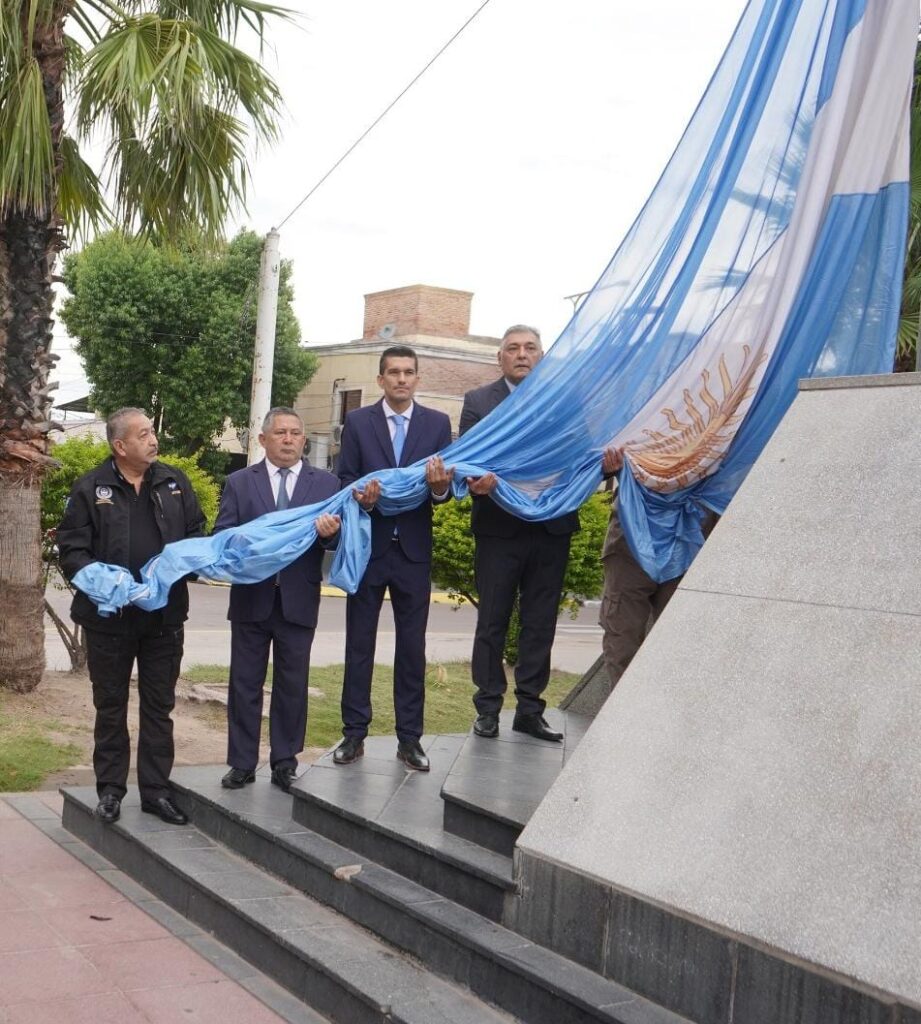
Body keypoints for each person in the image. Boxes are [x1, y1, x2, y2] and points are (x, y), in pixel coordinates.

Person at [57, 408, 205, 826]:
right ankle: (110, 792)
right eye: (143, 434)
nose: (153, 440)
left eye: (153, 431)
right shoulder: (91, 487)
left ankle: (156, 793)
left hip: (163, 619)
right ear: (120, 446)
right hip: (110, 621)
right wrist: (107, 582)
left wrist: (180, 564)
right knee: (110, 706)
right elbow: (72, 551)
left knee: (159, 707)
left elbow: (197, 534)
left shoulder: (174, 481)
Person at [334, 345, 453, 772]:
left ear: (418, 379)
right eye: (393, 373)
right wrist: (361, 500)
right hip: (370, 548)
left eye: (409, 373)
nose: (402, 379)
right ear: (381, 380)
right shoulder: (358, 422)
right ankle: (353, 735)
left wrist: (440, 488)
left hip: (414, 552)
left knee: (412, 649)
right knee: (359, 644)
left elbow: (444, 491)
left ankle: (410, 740)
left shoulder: (438, 424)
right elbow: (344, 477)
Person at [459, 325, 580, 743]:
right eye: (513, 348)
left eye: (530, 348)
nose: (522, 354)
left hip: (551, 528)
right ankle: (488, 708)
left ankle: (530, 709)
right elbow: (469, 460)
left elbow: (578, 454)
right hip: (499, 529)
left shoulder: (564, 401)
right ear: (500, 358)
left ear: (542, 355)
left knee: (540, 623)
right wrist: (480, 482)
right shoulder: (478, 402)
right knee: (491, 621)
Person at [213, 408, 341, 793]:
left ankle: (285, 762)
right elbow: (223, 534)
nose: (288, 439)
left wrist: (329, 534)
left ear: (305, 440)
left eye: (296, 433)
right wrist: (247, 541)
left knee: (292, 685)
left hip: (298, 601)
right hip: (252, 599)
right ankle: (241, 763)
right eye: (281, 432)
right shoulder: (239, 482)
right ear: (263, 440)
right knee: (244, 684)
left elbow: (336, 542)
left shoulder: (326, 485)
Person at [598, 445, 717, 689]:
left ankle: (669, 722)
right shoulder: (644, 410)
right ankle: (622, 719)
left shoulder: (726, 412)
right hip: (632, 536)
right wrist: (607, 465)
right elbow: (597, 451)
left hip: (691, 535)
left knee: (682, 645)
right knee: (623, 637)